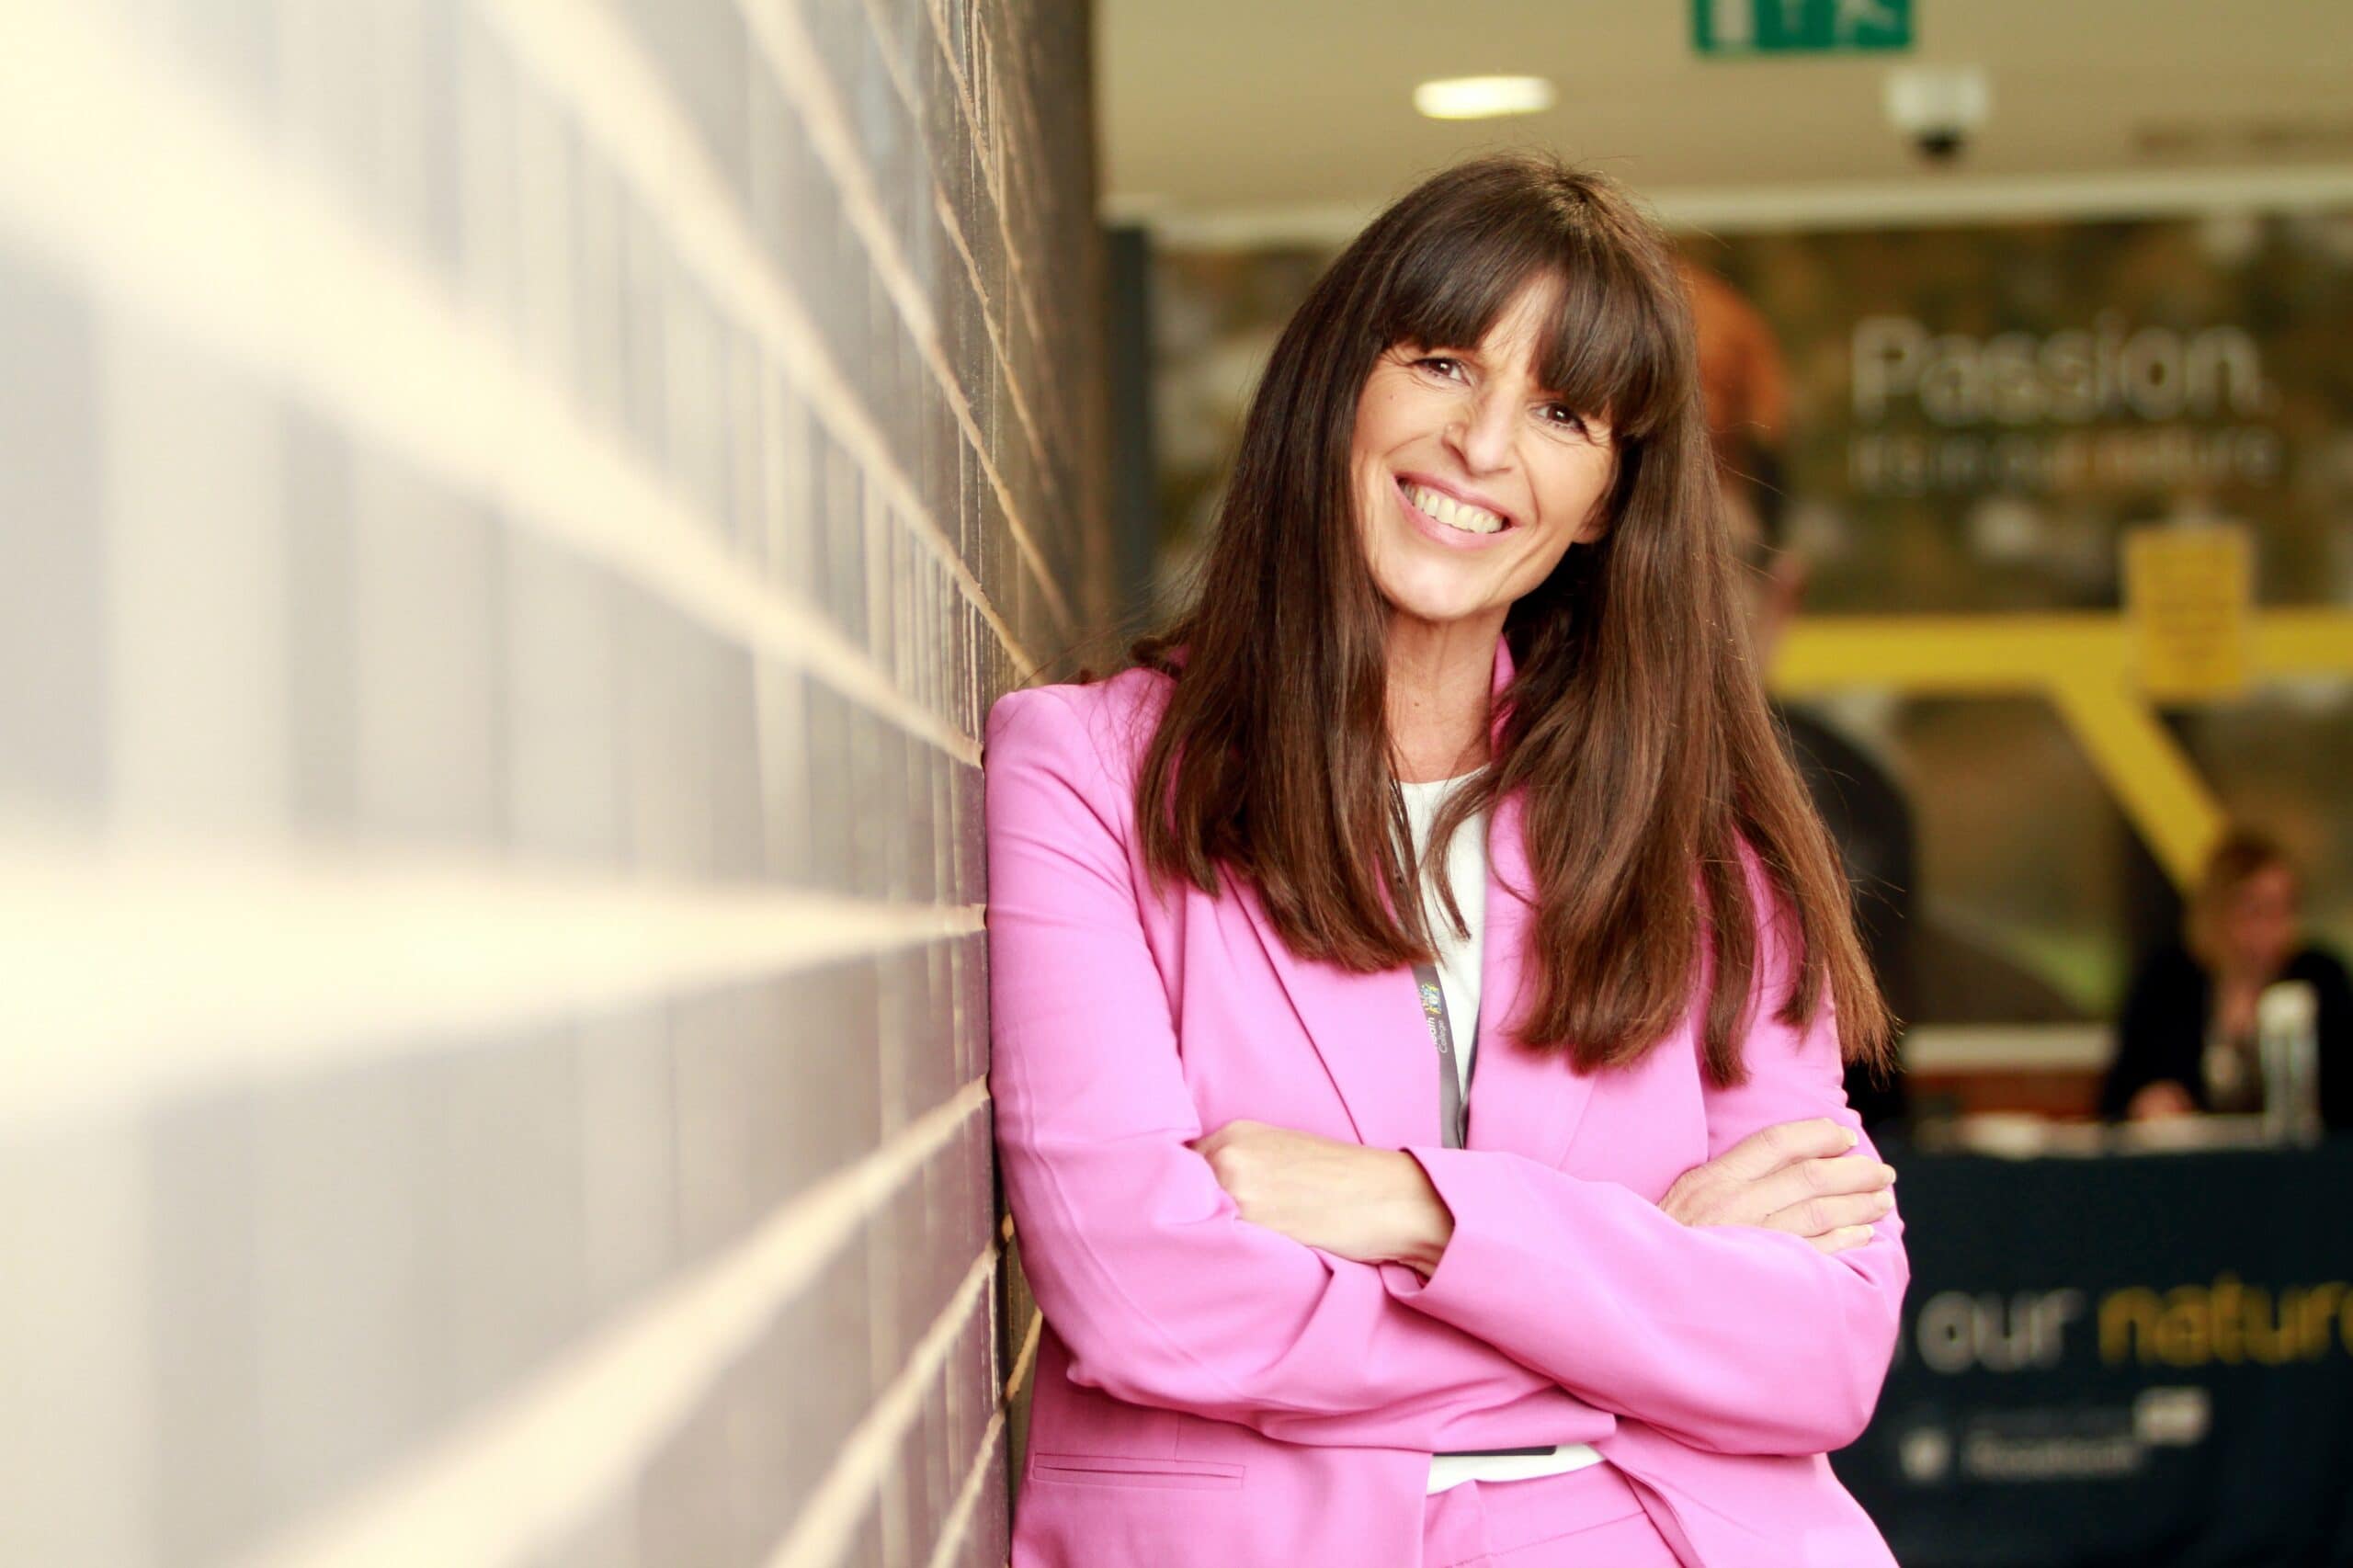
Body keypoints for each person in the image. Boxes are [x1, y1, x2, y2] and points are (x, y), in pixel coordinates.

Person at [984, 154, 1907, 1568]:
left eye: (1561, 411)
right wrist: (1636, 1289)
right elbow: (1137, 1291)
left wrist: (1410, 1206)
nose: (1485, 445)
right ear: (1336, 388)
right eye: (1440, 364)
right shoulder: (1089, 779)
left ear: (1604, 499)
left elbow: (1823, 1348)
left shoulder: (1705, 854)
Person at [2099, 828, 2353, 1130]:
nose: (2276, 927)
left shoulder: (2319, 978)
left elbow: (2343, 1099)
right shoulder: (2168, 981)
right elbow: (2116, 1100)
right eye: (2258, 910)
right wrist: (2147, 1103)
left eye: (2286, 908)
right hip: (2191, 1168)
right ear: (2218, 911)